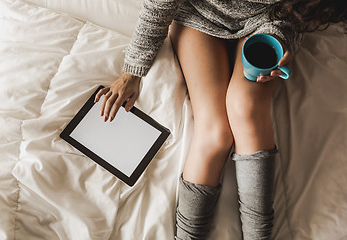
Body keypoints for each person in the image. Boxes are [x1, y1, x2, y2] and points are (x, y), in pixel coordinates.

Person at [94, 0, 346, 239]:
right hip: (200, 15)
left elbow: (302, 10)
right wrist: (132, 70)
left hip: (269, 20)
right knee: (214, 133)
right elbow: (159, 5)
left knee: (246, 107)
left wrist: (284, 41)